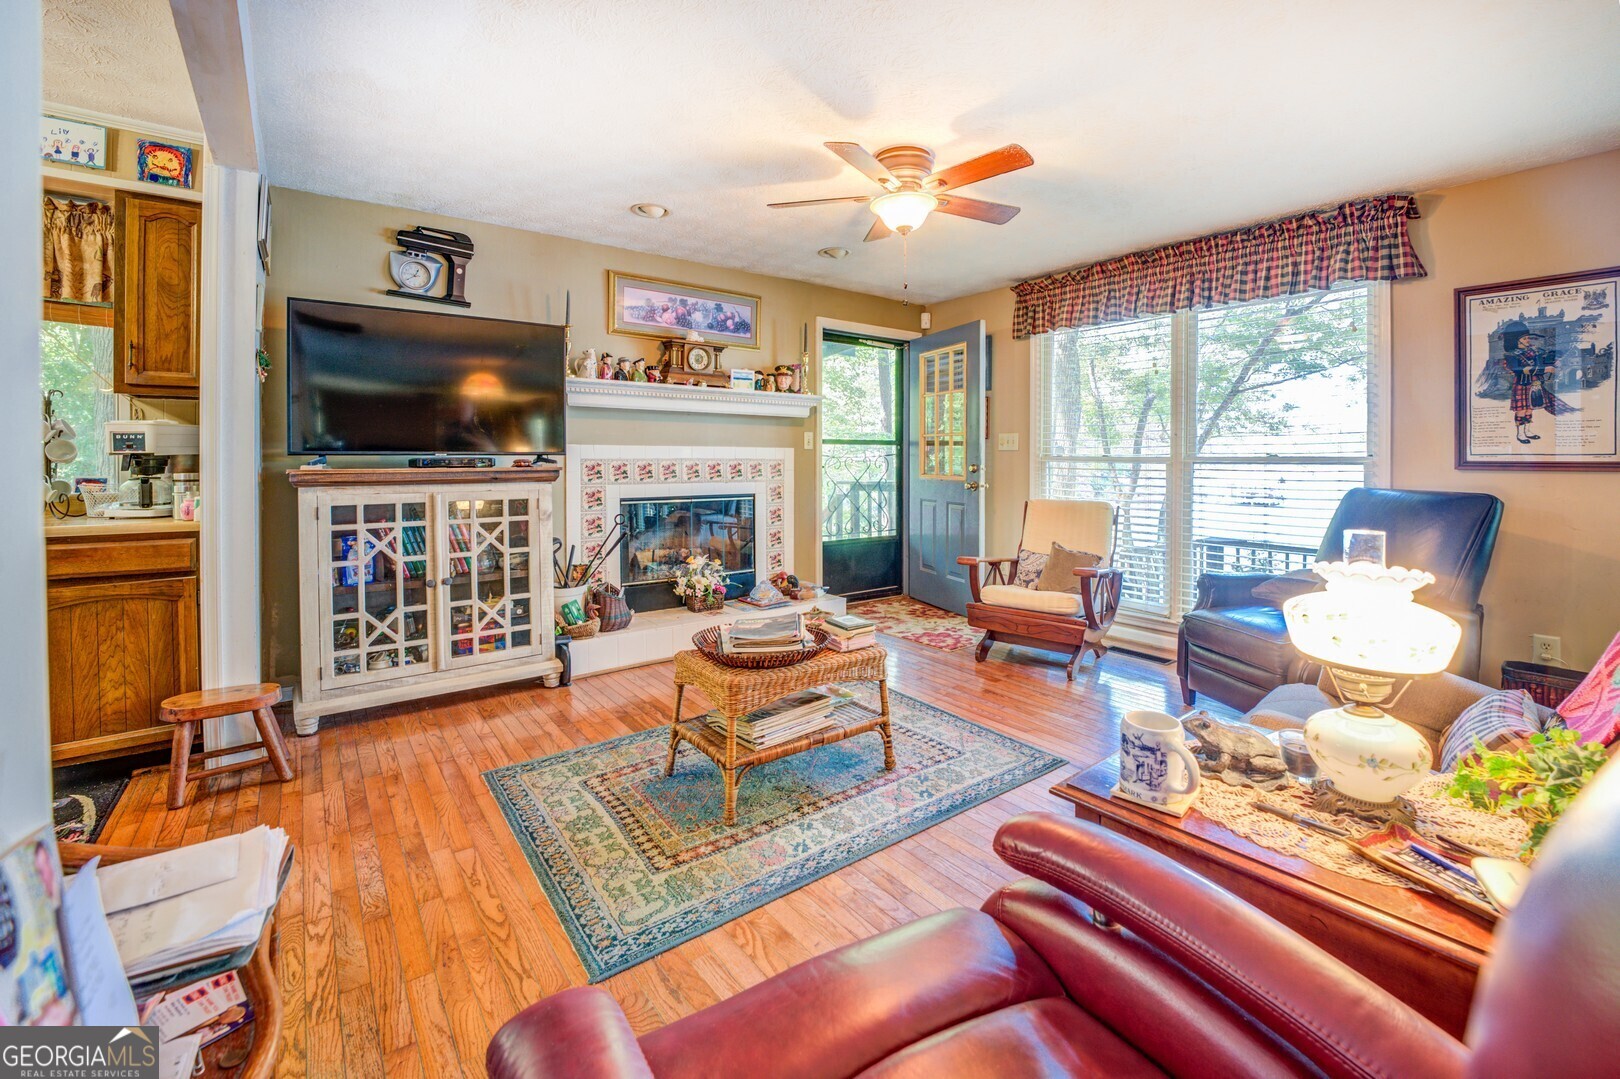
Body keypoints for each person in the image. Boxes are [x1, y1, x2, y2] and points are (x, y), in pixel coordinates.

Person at [1499, 321, 1577, 443]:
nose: (1527, 340)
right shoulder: (1510, 355)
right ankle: (1520, 434)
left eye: (1527, 338)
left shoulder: (1533, 351)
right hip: (1522, 384)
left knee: (1530, 408)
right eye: (1524, 338)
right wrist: (1544, 369)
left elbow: (1541, 363)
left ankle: (1527, 431)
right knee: (1522, 410)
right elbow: (1520, 370)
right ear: (1515, 340)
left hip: (1535, 383)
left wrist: (1552, 363)